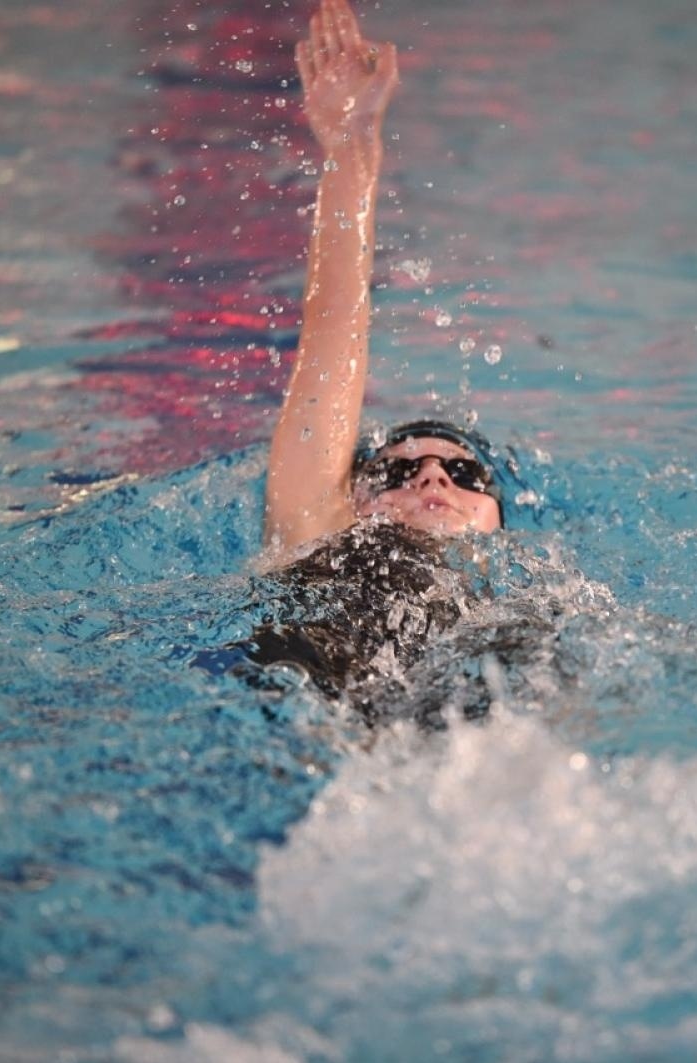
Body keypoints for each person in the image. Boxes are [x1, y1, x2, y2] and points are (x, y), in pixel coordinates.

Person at [198, 0, 514, 705]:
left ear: (501, 526)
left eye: (465, 472)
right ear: (352, 494)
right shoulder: (319, 530)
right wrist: (352, 151)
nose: (433, 476)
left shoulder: (533, 610)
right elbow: (335, 322)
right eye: (395, 469)